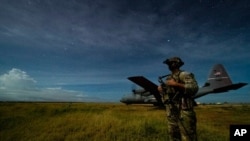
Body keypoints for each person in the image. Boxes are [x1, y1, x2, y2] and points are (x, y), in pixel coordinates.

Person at [158, 57, 199, 141]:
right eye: (168, 64)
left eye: (171, 63)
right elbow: (166, 97)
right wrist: (161, 91)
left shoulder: (184, 74)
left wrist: (176, 84)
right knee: (173, 135)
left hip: (184, 112)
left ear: (177, 64)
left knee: (188, 136)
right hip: (171, 112)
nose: (169, 65)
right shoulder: (168, 78)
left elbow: (194, 88)